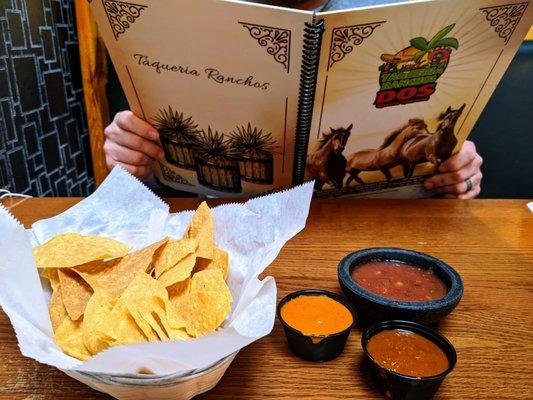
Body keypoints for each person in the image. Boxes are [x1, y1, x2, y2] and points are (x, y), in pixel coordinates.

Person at [103, 111, 483, 199]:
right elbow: (156, 192)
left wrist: (456, 173)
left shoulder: (405, 10)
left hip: (366, 247)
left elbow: (442, 177)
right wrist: (133, 165)